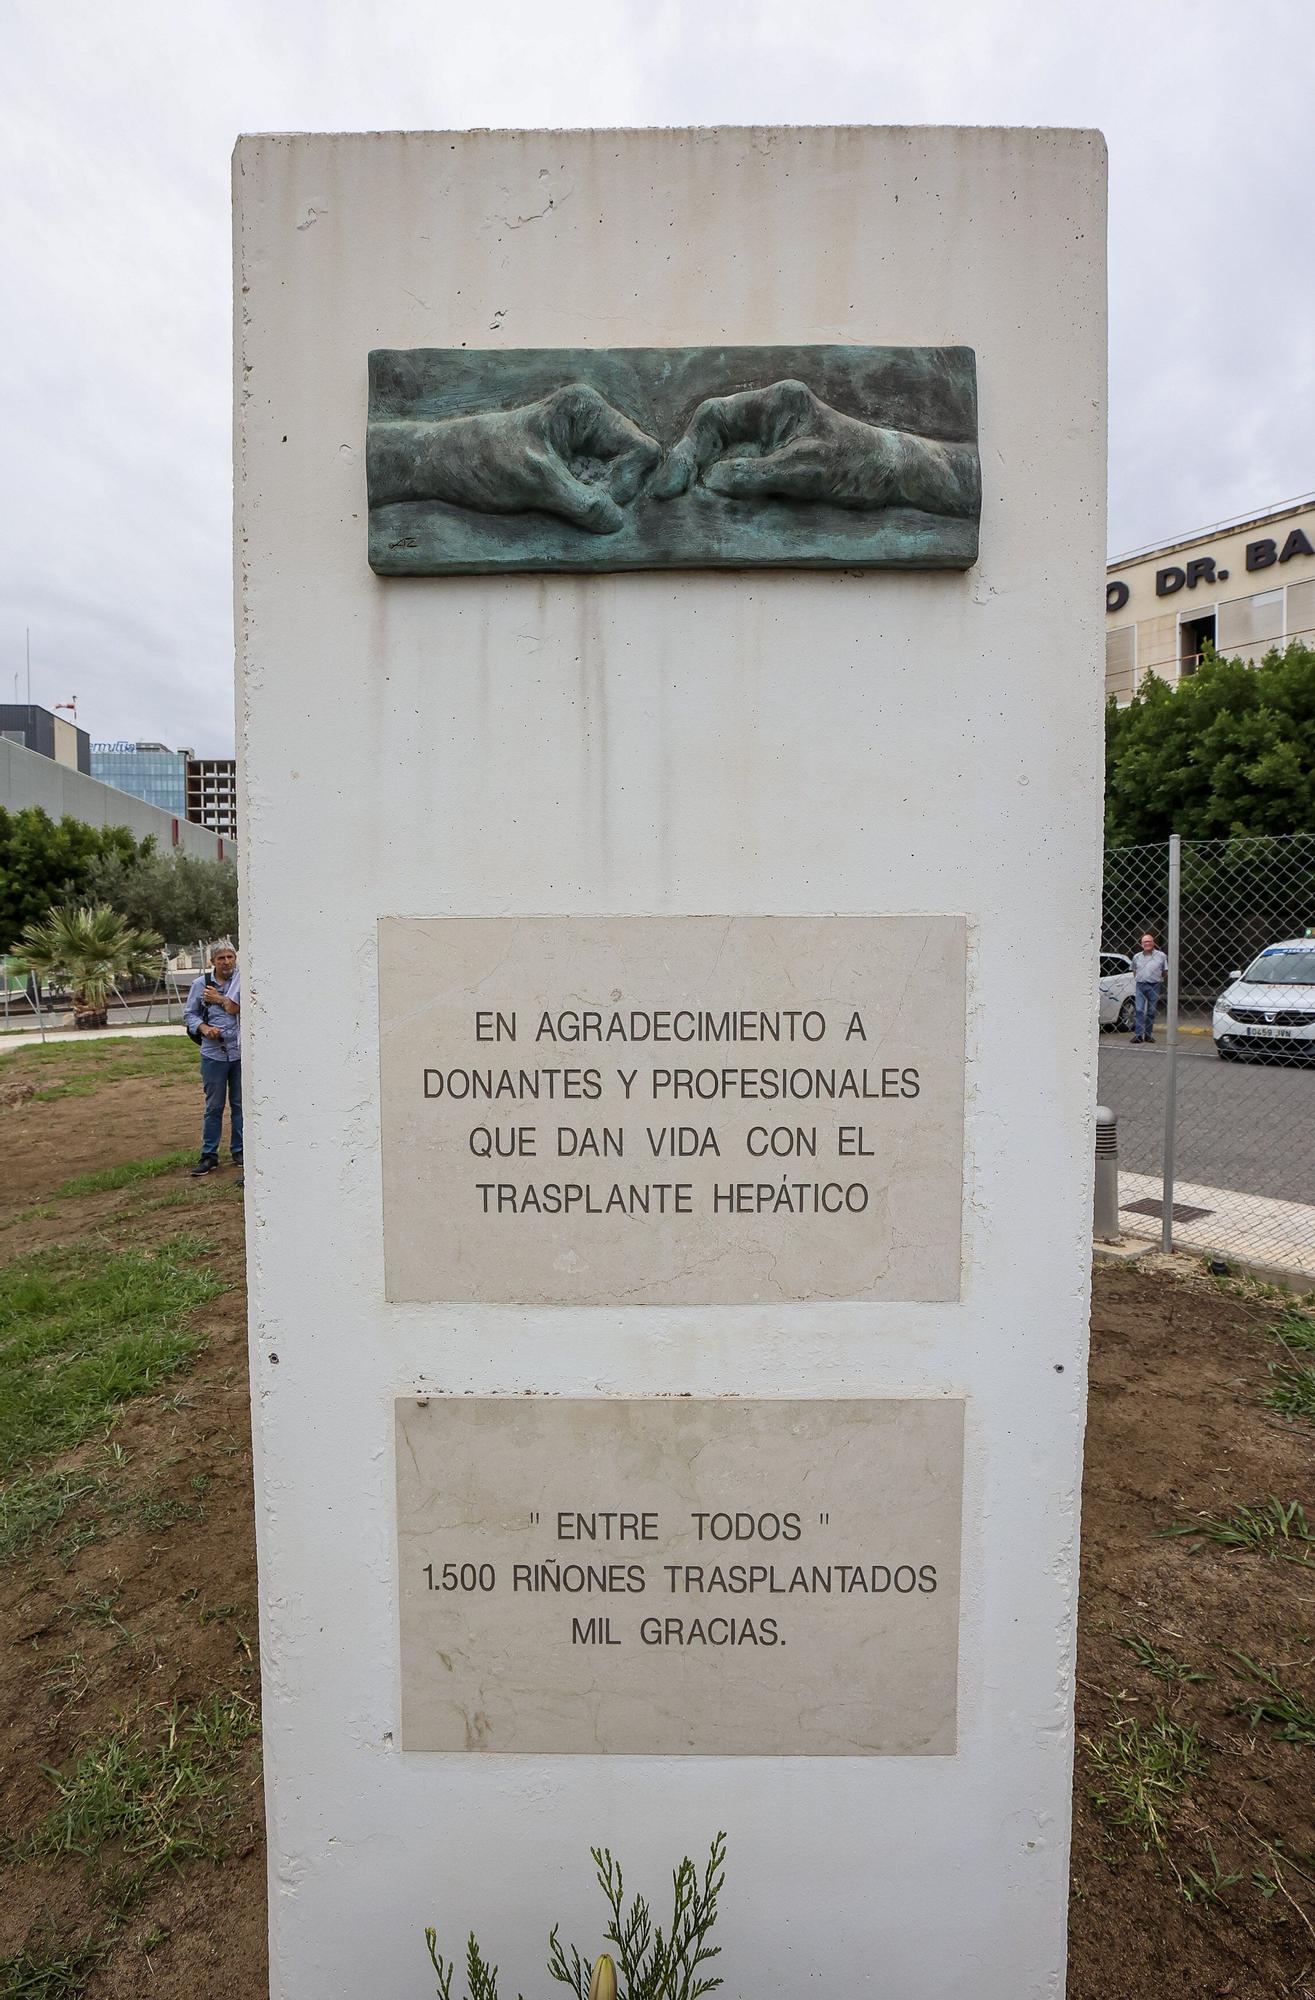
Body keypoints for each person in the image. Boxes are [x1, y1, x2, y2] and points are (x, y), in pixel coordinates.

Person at [185, 944, 243, 1179]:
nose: (227, 962)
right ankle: (209, 1155)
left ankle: (240, 1151)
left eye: (230, 957)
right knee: (214, 1107)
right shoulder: (201, 985)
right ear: (212, 961)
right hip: (214, 1054)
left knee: (240, 1104)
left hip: (238, 1053)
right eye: (221, 958)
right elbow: (190, 1013)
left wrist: (219, 999)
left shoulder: (241, 982)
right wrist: (204, 1028)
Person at [1131, 931, 1168, 1045]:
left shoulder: (1161, 956)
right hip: (1140, 985)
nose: (1147, 943)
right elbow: (1134, 970)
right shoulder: (1136, 957)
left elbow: (1165, 971)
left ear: (1153, 943)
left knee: (1151, 1011)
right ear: (1141, 944)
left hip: (1154, 985)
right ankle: (1138, 1035)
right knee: (1139, 1010)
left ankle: (1148, 1035)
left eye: (1149, 941)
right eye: (1144, 942)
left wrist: (1157, 978)